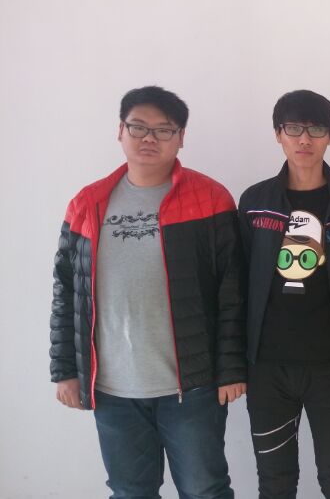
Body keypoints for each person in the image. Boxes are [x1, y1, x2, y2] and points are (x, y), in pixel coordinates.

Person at [49, 85, 245, 498]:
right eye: (138, 127)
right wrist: (65, 370)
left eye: (163, 129)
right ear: (120, 131)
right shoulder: (87, 204)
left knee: (206, 490)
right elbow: (67, 291)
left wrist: (231, 370)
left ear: (181, 137)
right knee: (129, 492)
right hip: (113, 390)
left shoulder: (211, 199)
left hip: (192, 388)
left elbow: (232, 292)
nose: (149, 138)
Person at [238, 89, 330, 498]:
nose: (304, 139)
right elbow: (237, 284)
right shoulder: (255, 202)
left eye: (316, 129)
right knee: (275, 481)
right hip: (268, 369)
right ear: (278, 134)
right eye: (293, 128)